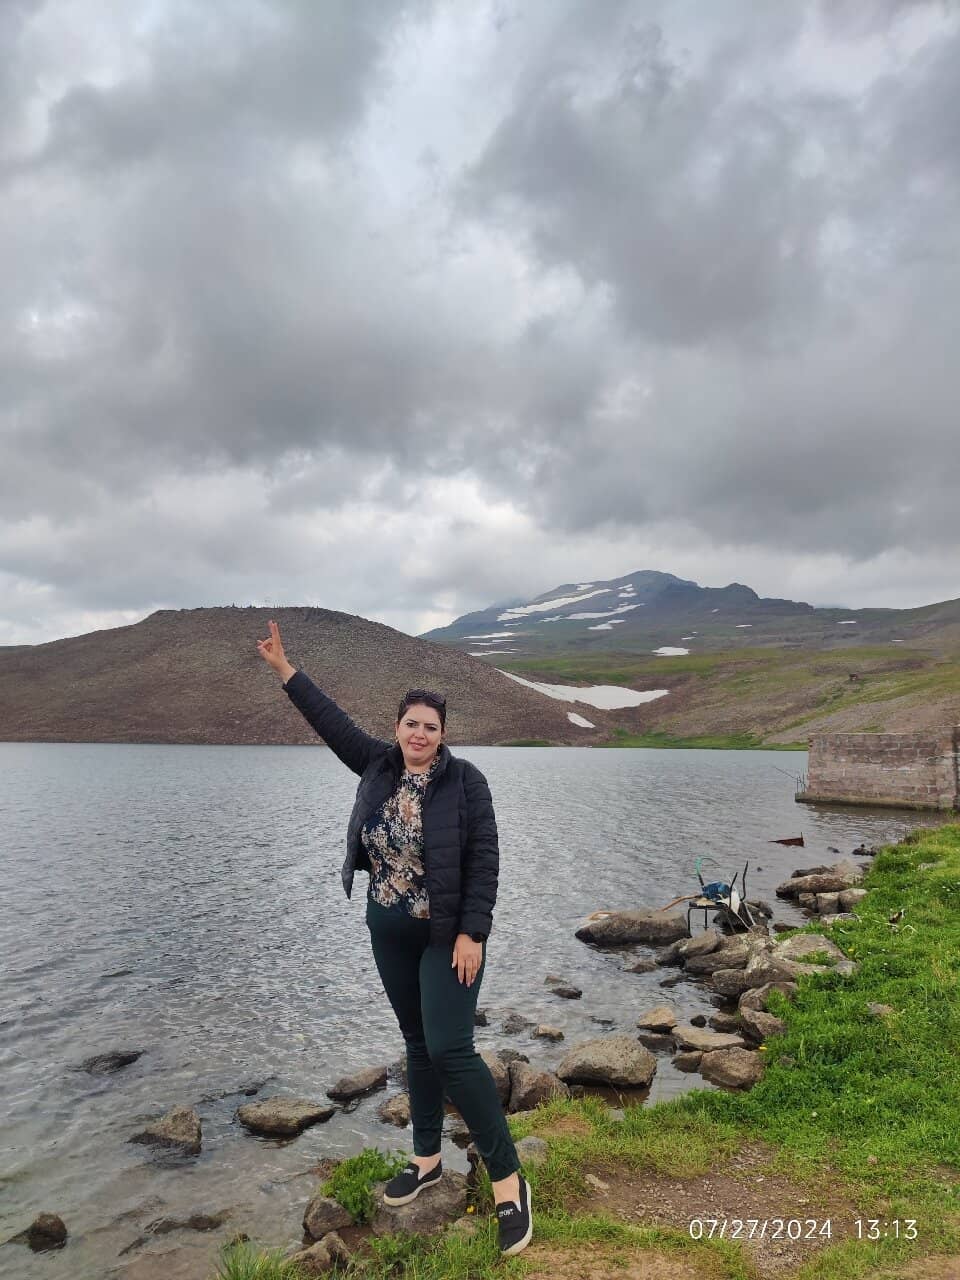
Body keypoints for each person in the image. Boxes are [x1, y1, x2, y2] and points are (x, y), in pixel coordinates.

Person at [256, 620, 533, 1256]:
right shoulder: (378, 764)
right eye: (411, 723)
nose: (419, 734)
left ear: (443, 734)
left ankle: (509, 1181)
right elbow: (330, 721)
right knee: (416, 1044)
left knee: (451, 1049)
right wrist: (284, 670)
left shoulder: (467, 783)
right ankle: (427, 1158)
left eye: (430, 726)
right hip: (387, 928)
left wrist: (473, 934)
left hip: (446, 937)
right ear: (399, 727)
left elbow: (485, 863)